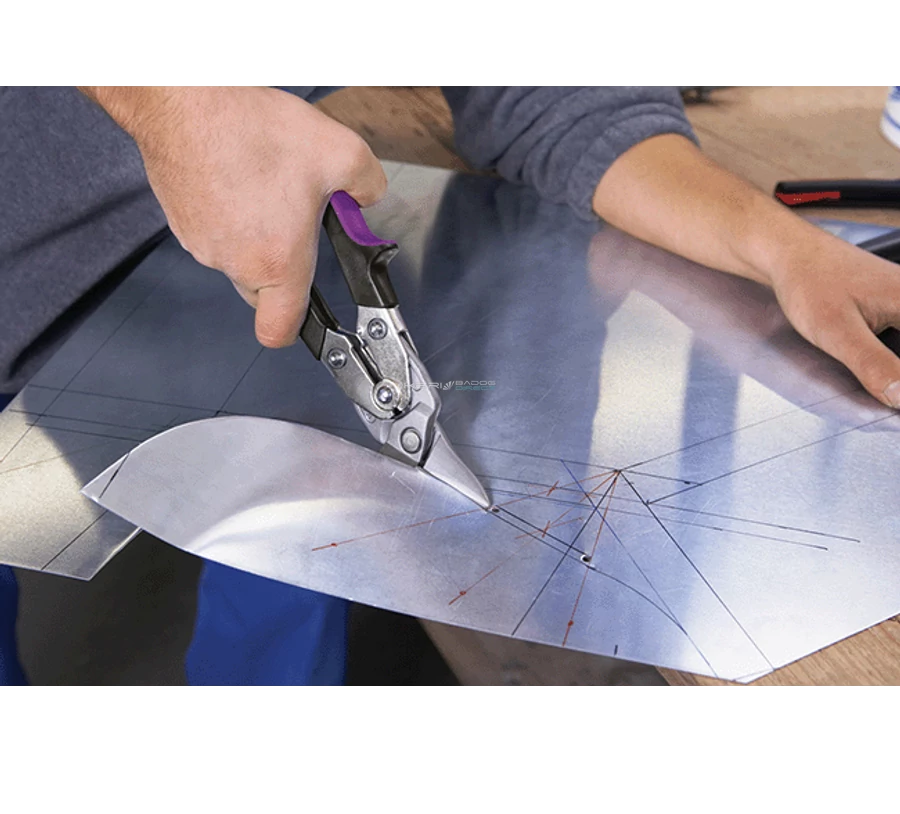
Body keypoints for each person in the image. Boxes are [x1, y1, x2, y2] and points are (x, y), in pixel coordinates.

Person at [2, 83, 899, 687]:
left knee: (287, 545)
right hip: (25, 254)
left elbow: (561, 101)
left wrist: (780, 248)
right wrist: (171, 100)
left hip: (252, 242)